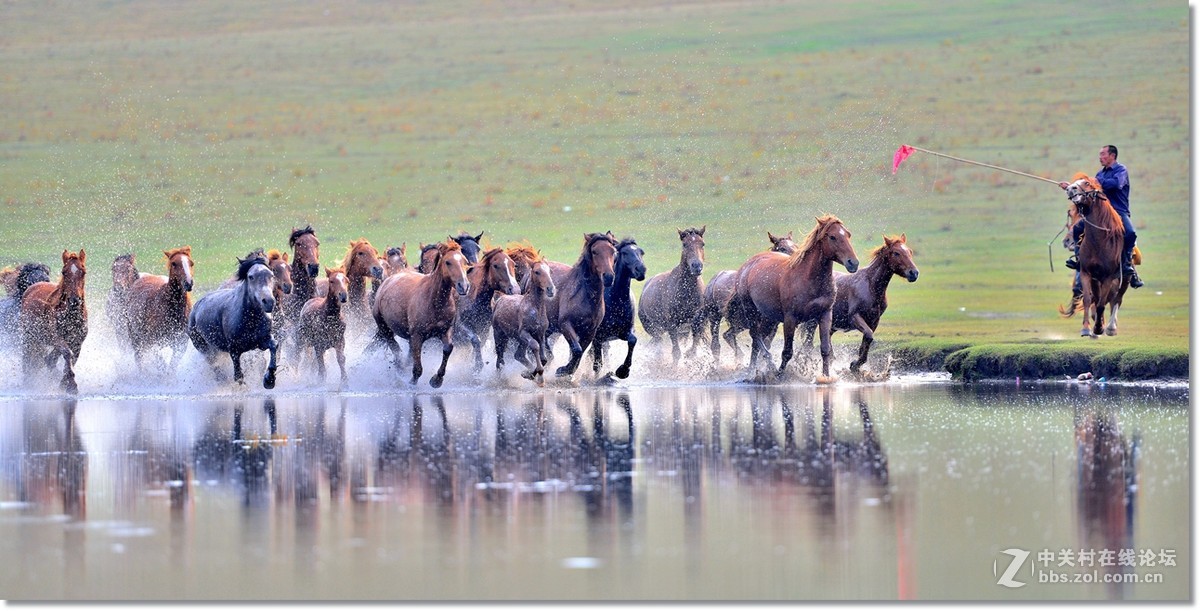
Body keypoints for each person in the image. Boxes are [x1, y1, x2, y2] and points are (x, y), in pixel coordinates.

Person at [1060, 144, 1142, 289]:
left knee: (1130, 233)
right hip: (1101, 214)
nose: (1100, 157)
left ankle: (1126, 265)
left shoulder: (1120, 170)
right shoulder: (1099, 174)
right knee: (1078, 229)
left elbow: (1116, 184)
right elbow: (1087, 191)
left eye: (1103, 154)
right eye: (1100, 154)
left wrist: (1096, 182)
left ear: (1112, 156)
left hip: (1118, 212)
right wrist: (1071, 187)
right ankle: (1080, 261)